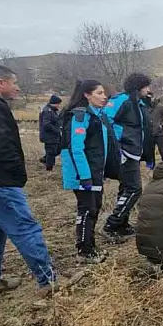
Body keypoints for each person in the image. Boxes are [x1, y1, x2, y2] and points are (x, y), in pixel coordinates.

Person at [0, 64, 81, 301]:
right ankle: (49, 280)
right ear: (0, 83)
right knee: (25, 228)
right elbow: (2, 147)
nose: (17, 87)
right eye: (14, 82)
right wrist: (16, 175)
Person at [60, 80, 121, 264]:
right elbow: (76, 149)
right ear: (87, 95)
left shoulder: (98, 115)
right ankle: (84, 250)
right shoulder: (80, 116)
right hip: (83, 174)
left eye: (104, 93)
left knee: (94, 208)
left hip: (95, 172)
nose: (104, 97)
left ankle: (90, 246)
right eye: (99, 93)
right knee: (87, 209)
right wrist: (85, 176)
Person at [101, 73, 155, 243]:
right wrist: (118, 145)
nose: (149, 90)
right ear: (138, 86)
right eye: (146, 86)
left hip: (134, 152)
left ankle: (122, 224)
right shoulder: (120, 100)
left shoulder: (139, 103)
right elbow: (105, 120)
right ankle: (111, 224)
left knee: (126, 188)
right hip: (124, 152)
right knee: (134, 189)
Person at [38, 94, 63, 171]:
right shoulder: (48, 111)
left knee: (58, 149)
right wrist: (56, 130)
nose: (59, 105)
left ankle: (45, 159)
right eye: (58, 104)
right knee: (51, 152)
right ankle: (49, 168)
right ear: (54, 103)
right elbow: (46, 124)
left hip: (54, 136)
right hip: (49, 136)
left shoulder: (53, 110)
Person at [148, 95, 163, 163]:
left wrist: (162, 125)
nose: (151, 100)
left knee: (162, 151)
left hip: (159, 133)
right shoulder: (145, 107)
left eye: (151, 98)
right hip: (150, 134)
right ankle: (152, 165)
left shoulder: (161, 107)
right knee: (150, 151)